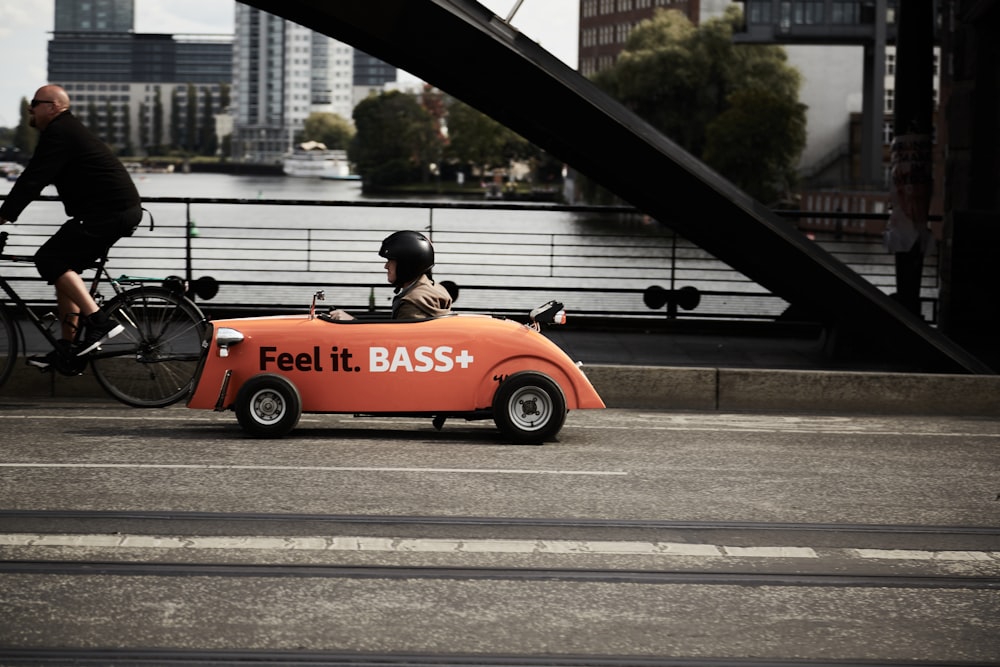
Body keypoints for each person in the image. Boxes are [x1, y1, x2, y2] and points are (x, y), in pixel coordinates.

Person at [0, 85, 143, 370]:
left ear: (53, 106)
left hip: (109, 213)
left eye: (35, 104)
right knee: (63, 271)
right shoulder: (65, 130)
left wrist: (2, 216)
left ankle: (99, 320)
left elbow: (33, 179)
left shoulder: (60, 132)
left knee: (48, 259)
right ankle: (70, 350)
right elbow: (34, 178)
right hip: (109, 212)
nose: (31, 110)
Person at [330, 230, 452, 320]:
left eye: (390, 261)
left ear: (406, 265)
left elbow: (396, 345)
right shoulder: (435, 289)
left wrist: (351, 323)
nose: (386, 266)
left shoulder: (411, 304)